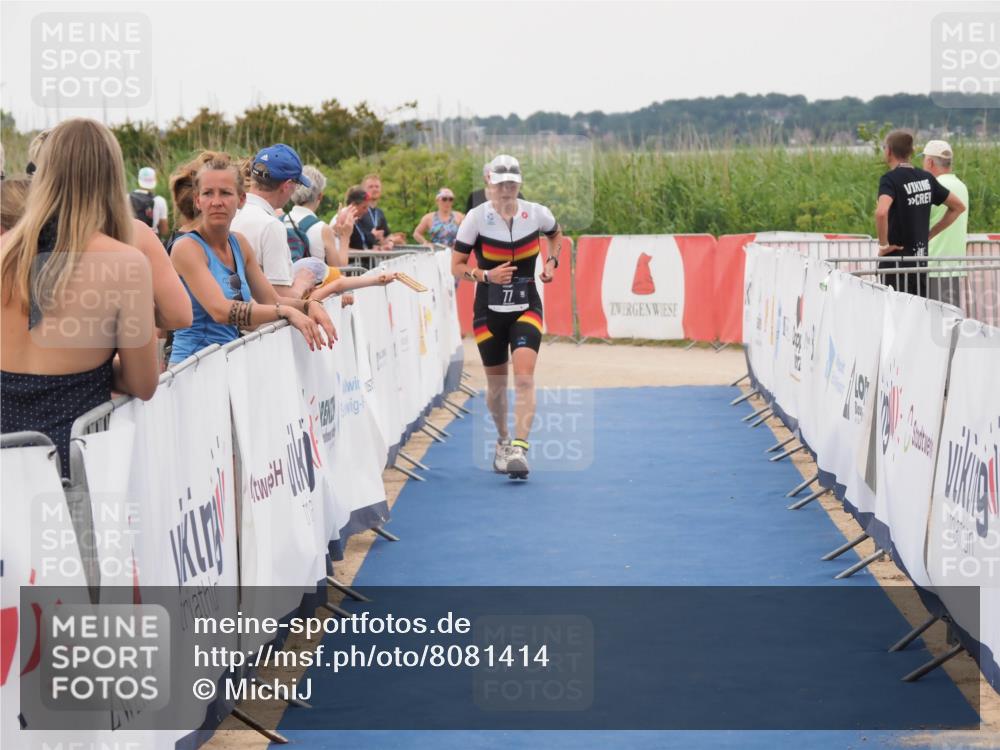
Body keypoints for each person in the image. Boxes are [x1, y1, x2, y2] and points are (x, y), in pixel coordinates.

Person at [1, 118, 159, 476]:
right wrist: (96, 366)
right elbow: (143, 382)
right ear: (111, 178)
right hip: (72, 468)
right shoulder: (125, 263)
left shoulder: (4, 251)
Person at [452, 154, 563, 480]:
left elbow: (556, 235)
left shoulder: (537, 213)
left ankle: (519, 448)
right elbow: (456, 266)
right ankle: (502, 440)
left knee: (525, 378)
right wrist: (486, 276)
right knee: (497, 386)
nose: (506, 189)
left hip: (526, 306)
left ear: (519, 183)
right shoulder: (476, 218)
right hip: (488, 311)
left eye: (512, 183)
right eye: (501, 183)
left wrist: (551, 262)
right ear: (490, 183)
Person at [169, 153, 335, 365]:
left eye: (225, 193)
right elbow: (220, 310)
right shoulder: (187, 247)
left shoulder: (239, 243)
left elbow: (272, 300)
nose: (216, 202)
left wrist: (309, 305)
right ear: (197, 201)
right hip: (192, 368)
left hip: (228, 363)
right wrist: (284, 312)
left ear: (241, 200)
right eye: (208, 193)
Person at [874, 129, 965, 297]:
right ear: (911, 152)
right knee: (919, 310)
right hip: (920, 262)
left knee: (897, 310)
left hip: (896, 263)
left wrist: (884, 245)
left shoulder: (890, 179)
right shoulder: (926, 178)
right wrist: (930, 233)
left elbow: (881, 212)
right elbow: (958, 207)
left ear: (889, 151)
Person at [231, 143, 314, 298]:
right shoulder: (271, 225)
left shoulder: (231, 211)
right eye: (296, 184)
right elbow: (279, 297)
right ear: (287, 185)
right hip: (256, 313)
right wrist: (302, 283)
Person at [921, 139, 970, 310]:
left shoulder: (933, 186)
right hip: (955, 264)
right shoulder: (961, 186)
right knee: (950, 317)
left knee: (931, 316)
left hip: (933, 263)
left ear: (930, 162)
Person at [283, 165, 352, 267]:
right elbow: (339, 270)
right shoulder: (323, 229)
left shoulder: (280, 221)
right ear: (320, 196)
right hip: (313, 277)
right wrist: (345, 237)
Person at [130, 167, 170, 239]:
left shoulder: (126, 197)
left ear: (139, 180)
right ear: (155, 180)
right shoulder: (159, 200)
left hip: (132, 239)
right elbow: (164, 230)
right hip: (152, 239)